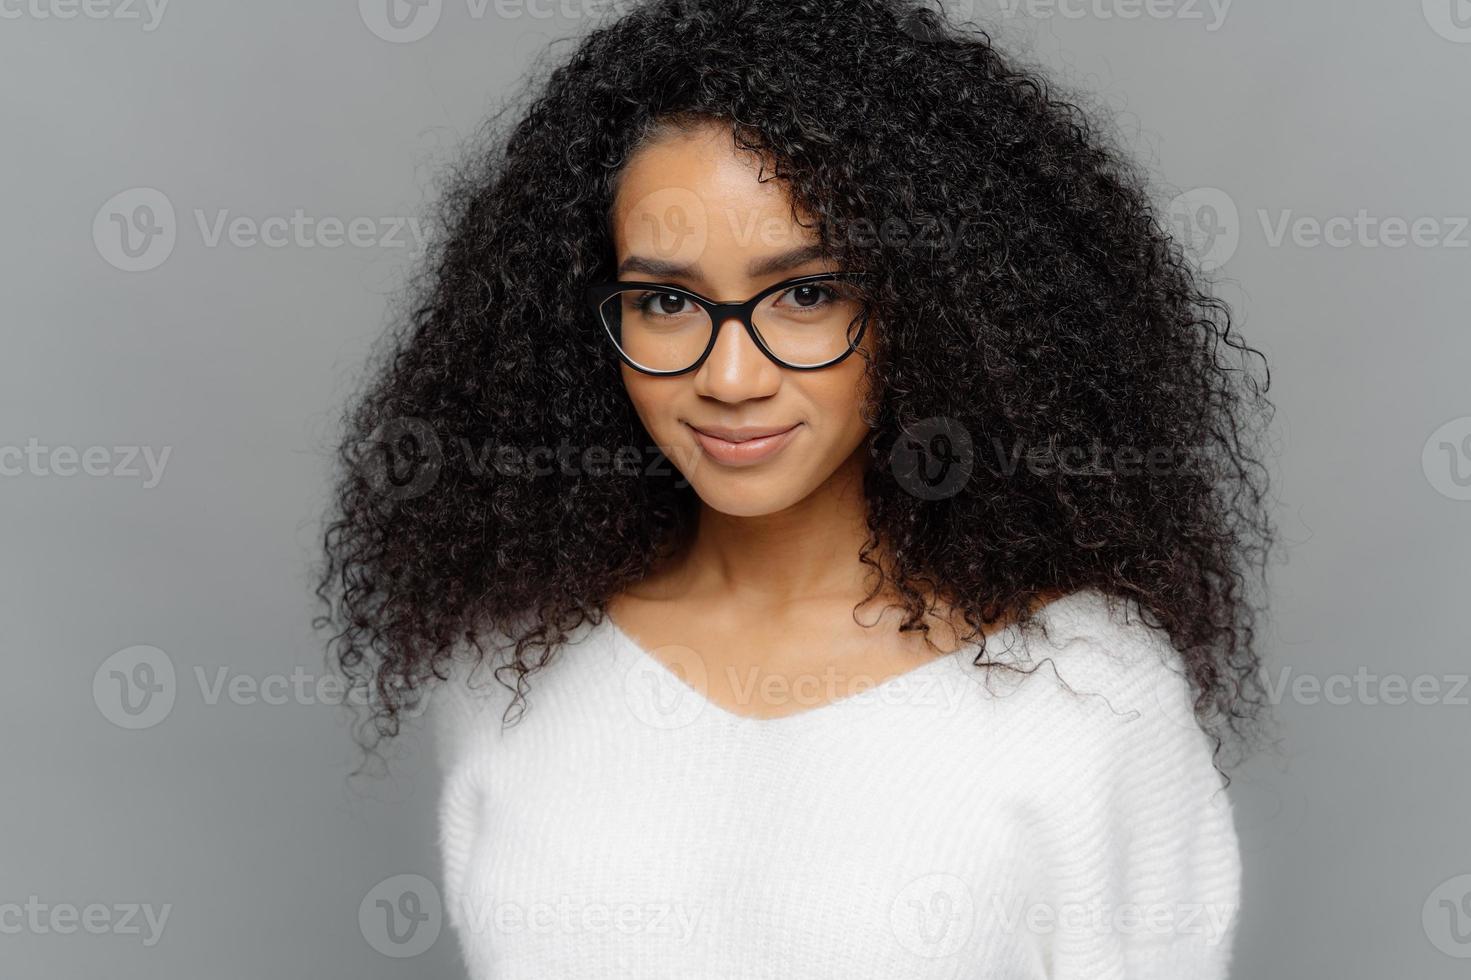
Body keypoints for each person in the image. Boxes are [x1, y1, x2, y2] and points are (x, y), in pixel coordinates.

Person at [315, 1, 1276, 976]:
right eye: (664, 301)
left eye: (807, 293)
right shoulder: (505, 660)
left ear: (929, 302)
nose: (731, 377)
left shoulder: (1087, 695)